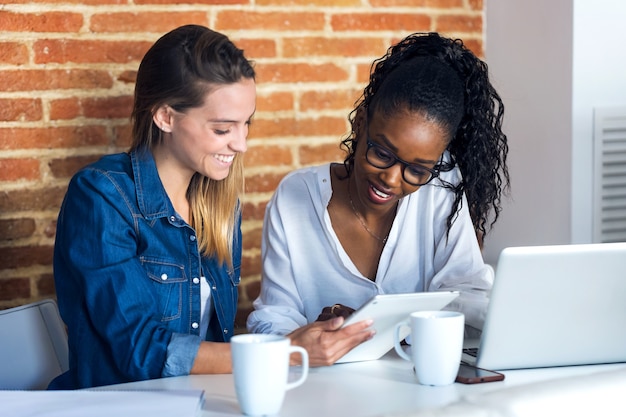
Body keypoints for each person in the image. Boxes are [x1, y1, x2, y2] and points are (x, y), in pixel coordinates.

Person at [247, 32, 510, 366]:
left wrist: (378, 327)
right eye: (382, 153)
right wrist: (312, 339)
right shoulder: (296, 197)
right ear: (361, 125)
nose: (391, 178)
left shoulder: (441, 189)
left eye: (417, 169)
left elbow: (471, 301)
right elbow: (273, 316)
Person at [49, 24, 256, 389]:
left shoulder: (221, 203)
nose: (240, 144)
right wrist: (277, 353)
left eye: (246, 125)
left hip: (200, 401)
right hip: (116, 405)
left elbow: (216, 342)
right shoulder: (101, 196)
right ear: (165, 117)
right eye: (223, 129)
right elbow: (139, 348)